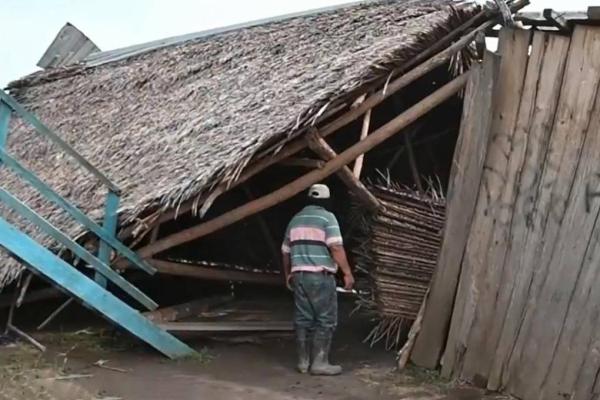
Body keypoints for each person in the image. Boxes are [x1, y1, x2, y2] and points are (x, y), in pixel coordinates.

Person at [281, 183, 355, 376]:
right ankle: (320, 363)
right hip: (320, 277)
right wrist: (347, 273)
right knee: (325, 320)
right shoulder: (327, 218)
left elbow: (285, 251)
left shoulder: (295, 220)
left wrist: (288, 273)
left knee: (303, 319)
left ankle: (303, 363)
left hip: (299, 277)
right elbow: (336, 248)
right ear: (326, 201)